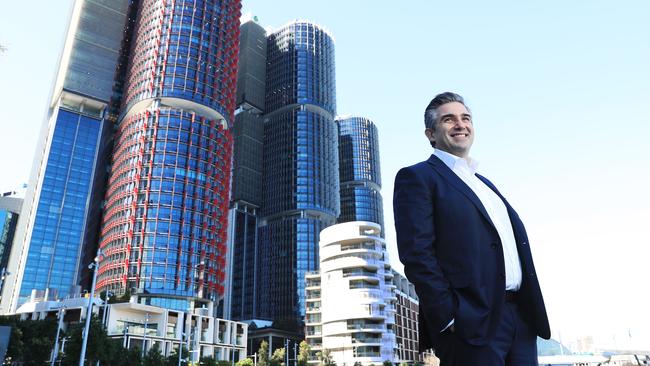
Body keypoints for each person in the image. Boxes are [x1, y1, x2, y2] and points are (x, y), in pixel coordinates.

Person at [393, 92, 550, 366]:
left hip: (520, 320)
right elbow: (416, 254)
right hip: (471, 323)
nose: (460, 124)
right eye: (448, 119)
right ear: (431, 134)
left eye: (465, 118)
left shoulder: (485, 184)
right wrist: (450, 317)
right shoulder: (418, 177)